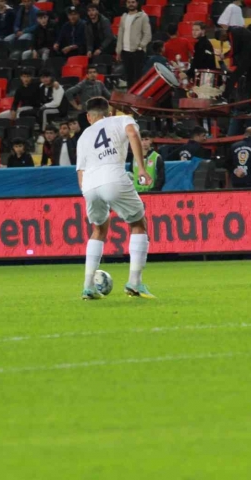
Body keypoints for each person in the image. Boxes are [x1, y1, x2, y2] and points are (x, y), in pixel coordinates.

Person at [76, 96, 154, 300]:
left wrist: (88, 193)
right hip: (113, 176)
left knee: (99, 228)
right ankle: (135, 283)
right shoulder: (122, 119)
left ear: (88, 116)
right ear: (109, 112)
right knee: (138, 223)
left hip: (90, 184)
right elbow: (132, 133)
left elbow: (80, 170)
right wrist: (142, 168)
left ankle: (88, 287)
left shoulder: (83, 135)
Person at [217, 25, 251, 103]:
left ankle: (224, 97)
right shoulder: (235, 29)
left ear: (223, 35)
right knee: (250, 80)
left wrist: (224, 56)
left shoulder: (232, 33)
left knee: (234, 76)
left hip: (250, 54)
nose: (224, 41)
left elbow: (233, 50)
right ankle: (250, 104)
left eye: (223, 39)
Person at [116, 0, 152, 88]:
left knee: (138, 78)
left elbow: (148, 34)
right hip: (125, 51)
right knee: (129, 78)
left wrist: (140, 46)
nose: (131, 4)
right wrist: (118, 51)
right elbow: (120, 34)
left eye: (133, 2)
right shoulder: (124, 17)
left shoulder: (143, 16)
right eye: (129, 2)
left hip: (137, 52)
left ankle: (137, 99)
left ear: (137, 3)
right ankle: (130, 98)